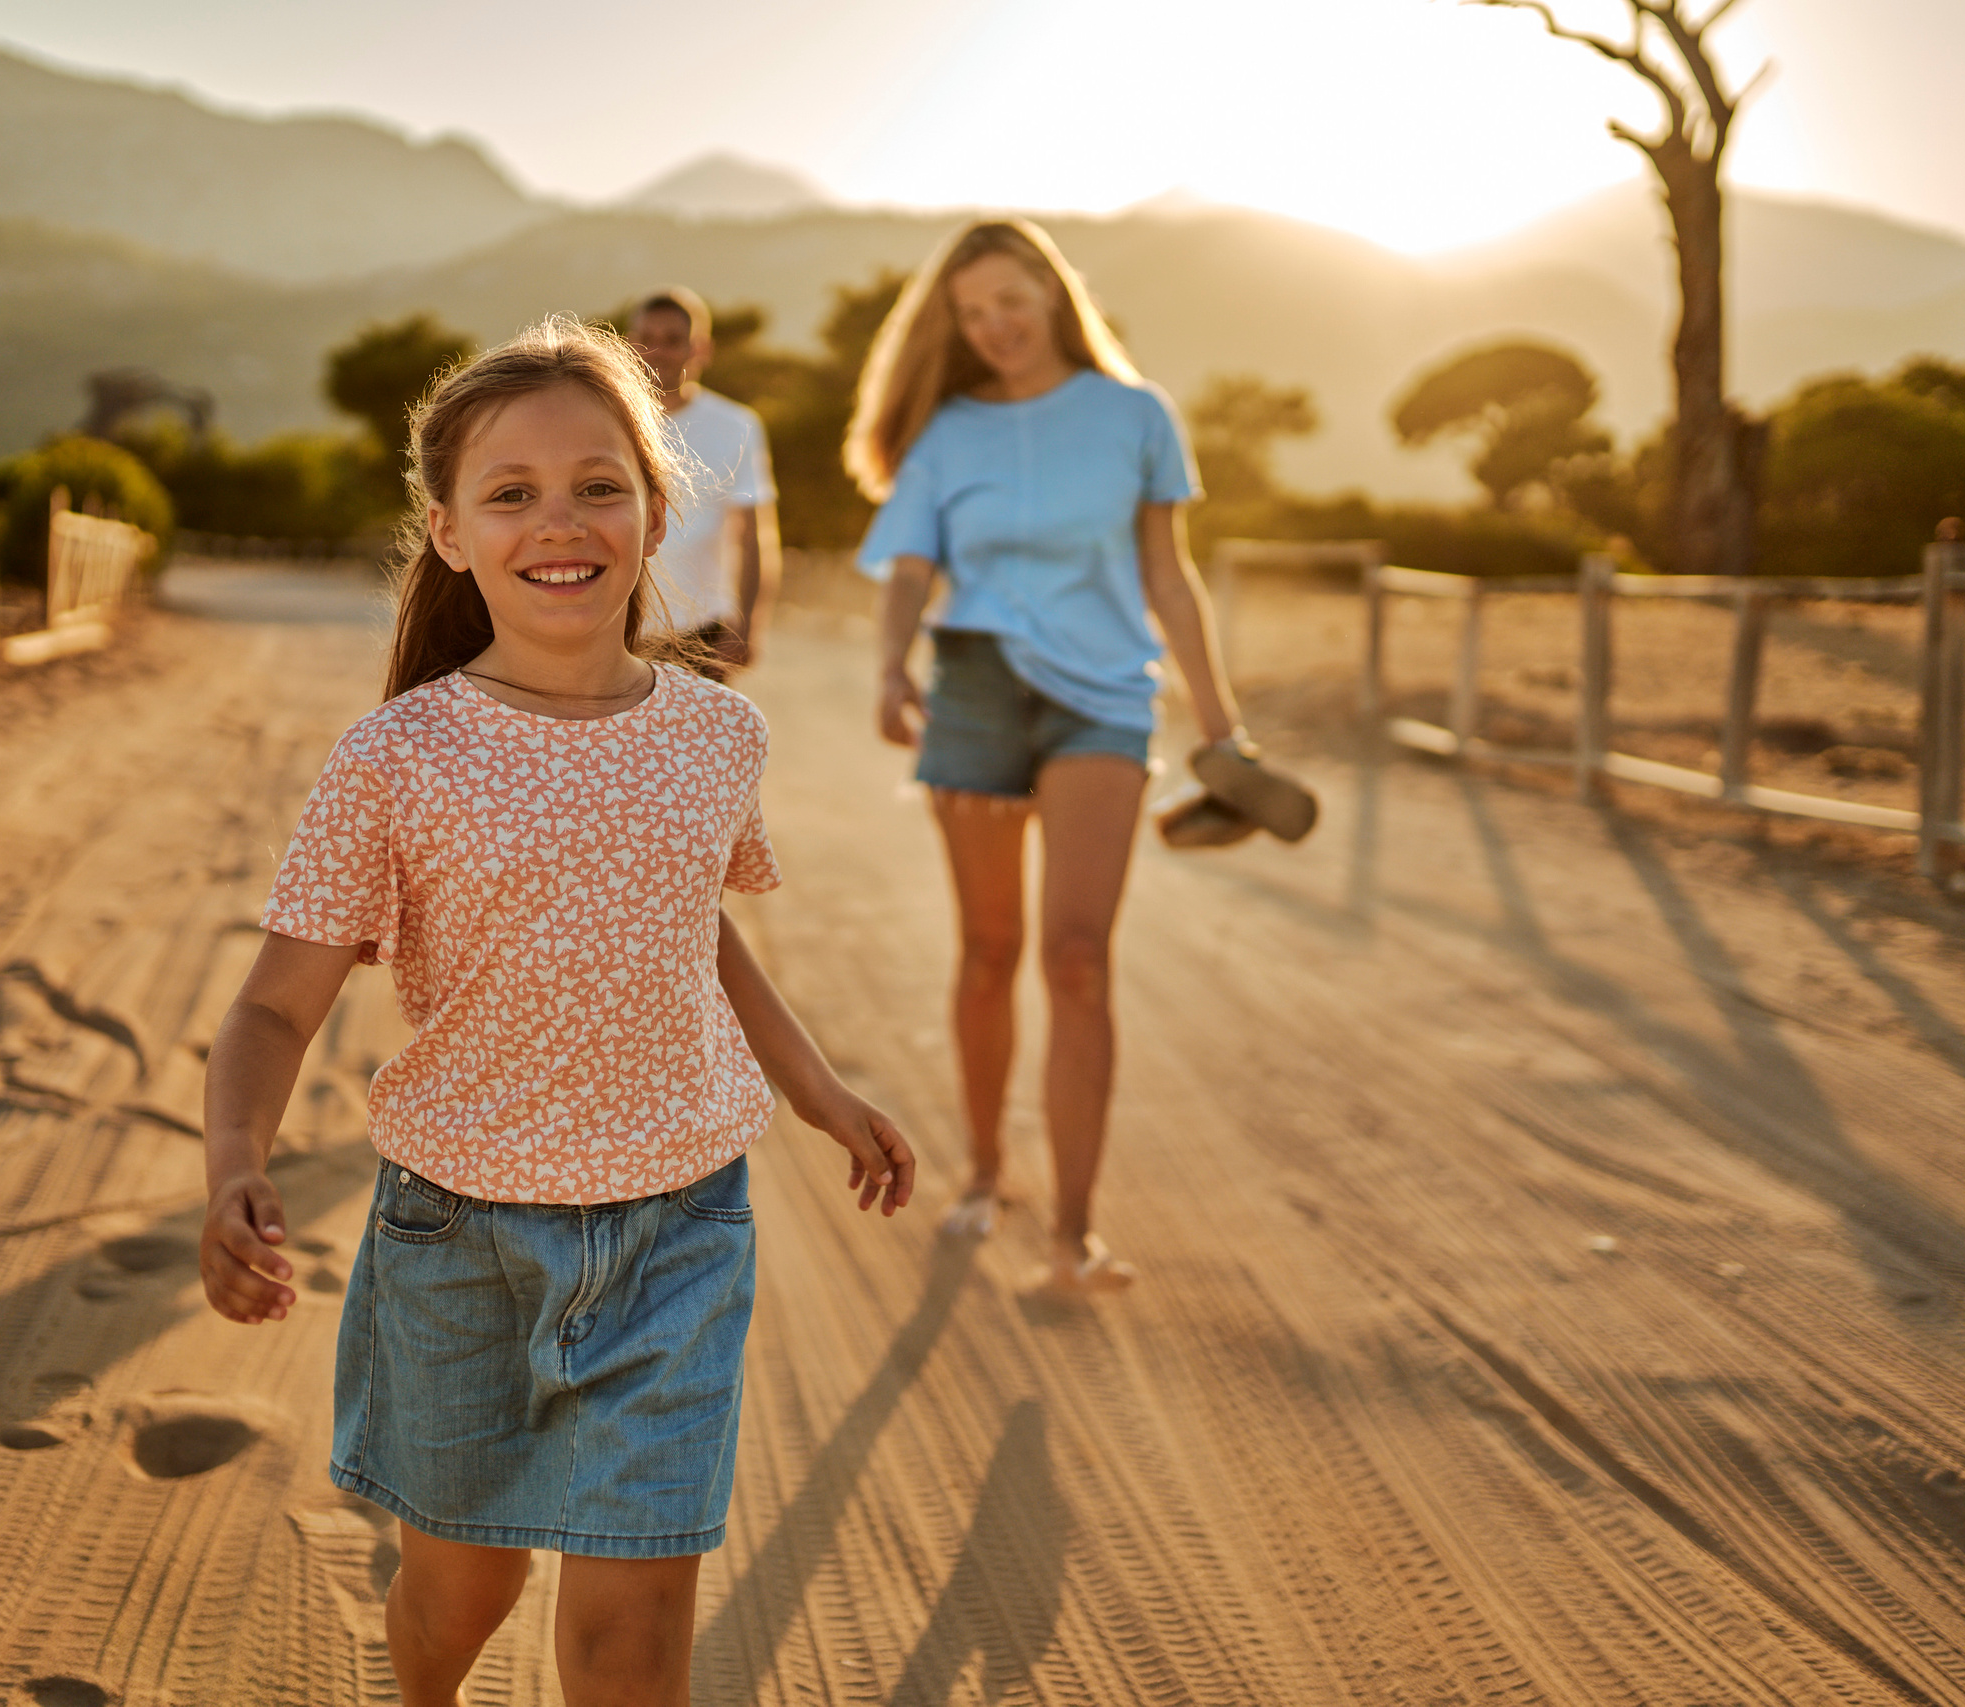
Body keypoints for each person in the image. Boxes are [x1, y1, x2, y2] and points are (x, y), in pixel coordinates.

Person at [197, 318, 915, 1707]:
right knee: (464, 1590)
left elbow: (688, 918)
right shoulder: (399, 754)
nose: (560, 521)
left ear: (657, 509)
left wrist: (817, 1086)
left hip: (681, 1226)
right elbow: (275, 1008)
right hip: (456, 1235)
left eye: (600, 483)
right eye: (510, 492)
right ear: (450, 532)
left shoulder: (718, 733)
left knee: (633, 1641)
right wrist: (234, 1162)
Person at [845, 217, 1256, 1296]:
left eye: (1008, 305)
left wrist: (1220, 727)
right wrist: (892, 670)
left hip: (1104, 698)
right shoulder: (946, 433)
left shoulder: (1134, 414)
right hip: (974, 691)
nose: (993, 330)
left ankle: (1075, 1234)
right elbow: (906, 569)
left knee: (1076, 957)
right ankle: (984, 1170)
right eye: (971, 315)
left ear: (1053, 292)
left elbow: (1169, 577)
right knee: (988, 950)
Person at [628, 287, 781, 680]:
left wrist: (749, 624)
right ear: (630, 346)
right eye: (648, 339)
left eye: (674, 340)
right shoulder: (605, 422)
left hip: (701, 633)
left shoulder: (737, 425)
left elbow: (753, 535)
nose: (658, 351)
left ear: (701, 349)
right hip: (617, 632)